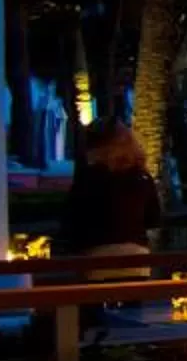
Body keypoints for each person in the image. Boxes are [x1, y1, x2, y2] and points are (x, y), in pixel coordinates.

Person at [59, 120, 162, 279]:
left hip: (97, 257)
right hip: (137, 257)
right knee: (133, 293)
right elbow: (153, 219)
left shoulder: (89, 178)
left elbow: (72, 220)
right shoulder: (141, 177)